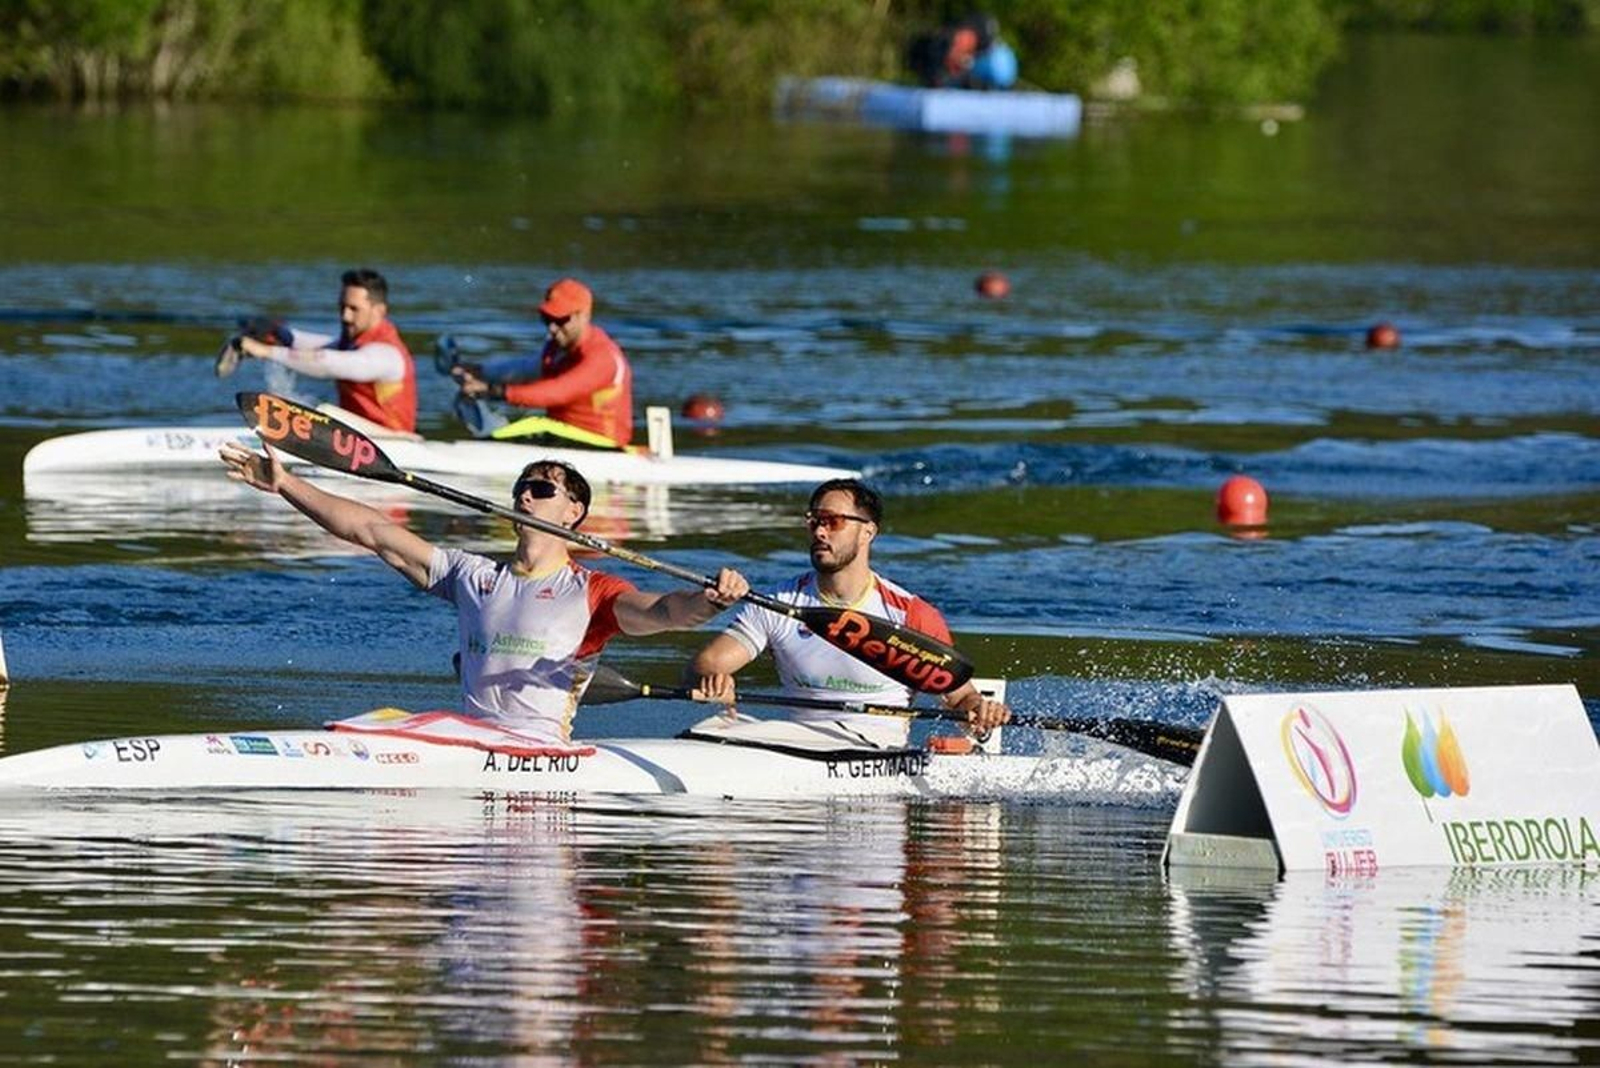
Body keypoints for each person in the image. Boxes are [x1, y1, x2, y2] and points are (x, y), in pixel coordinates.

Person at [218, 444, 749, 743]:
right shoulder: (474, 576)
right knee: (369, 722)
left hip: (537, 750)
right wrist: (286, 485)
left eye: (542, 489)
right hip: (471, 737)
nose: (525, 494)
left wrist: (711, 601)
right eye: (521, 486)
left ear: (574, 513)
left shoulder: (592, 592)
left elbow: (663, 611)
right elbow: (371, 531)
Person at [688, 478, 1009, 748]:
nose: (819, 532)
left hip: (876, 752)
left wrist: (981, 713)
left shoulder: (911, 614)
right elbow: (706, 664)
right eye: (814, 520)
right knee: (708, 730)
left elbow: (959, 699)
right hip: (796, 744)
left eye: (832, 521)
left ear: (868, 532)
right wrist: (713, 680)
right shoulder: (779, 602)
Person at [216, 267, 418, 434]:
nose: (345, 317)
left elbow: (325, 362)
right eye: (342, 307)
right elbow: (318, 346)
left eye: (354, 309)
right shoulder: (354, 344)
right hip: (361, 442)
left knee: (321, 412)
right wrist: (277, 333)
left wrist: (265, 351)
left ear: (379, 311)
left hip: (393, 446)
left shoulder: (387, 354)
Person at [452, 277, 635, 448]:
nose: (552, 328)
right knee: (526, 426)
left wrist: (491, 390)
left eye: (561, 319)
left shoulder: (603, 356)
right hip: (565, 435)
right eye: (547, 319)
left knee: (535, 426)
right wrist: (479, 371)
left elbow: (556, 392)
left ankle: (485, 447)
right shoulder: (558, 347)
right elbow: (525, 368)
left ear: (583, 315)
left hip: (604, 444)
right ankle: (486, 443)